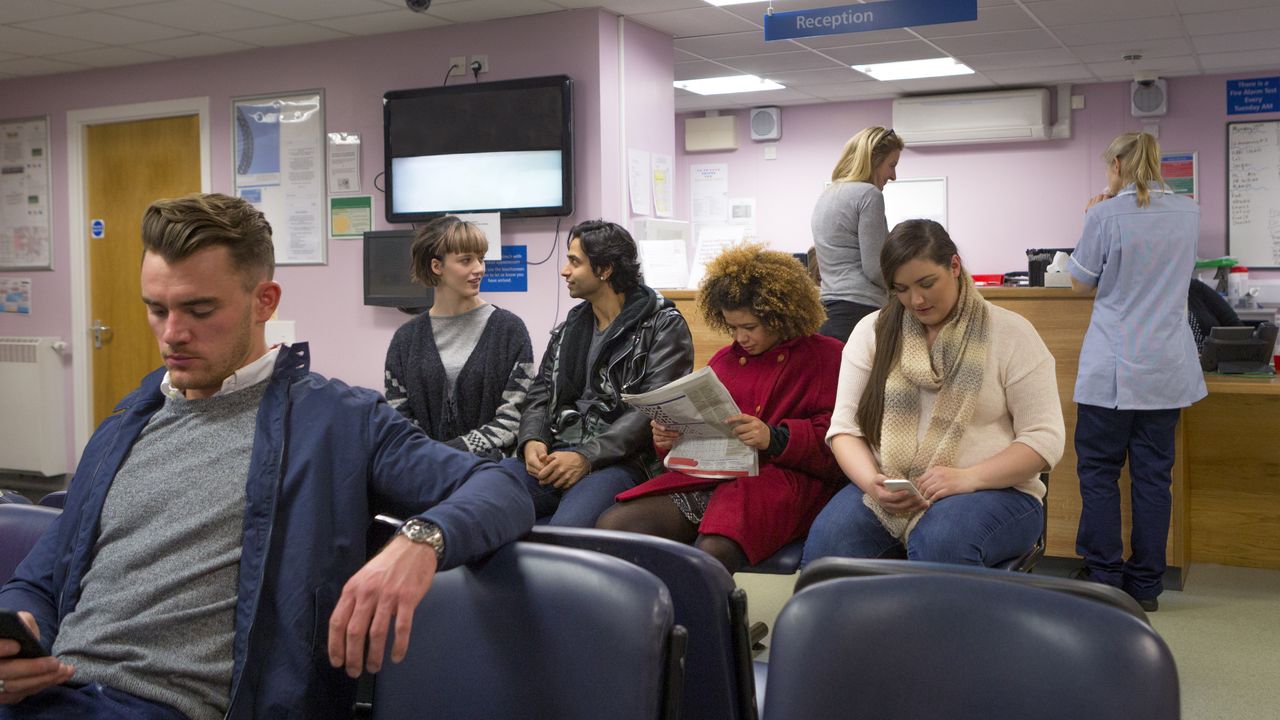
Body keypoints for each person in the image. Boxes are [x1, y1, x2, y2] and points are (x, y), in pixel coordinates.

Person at [0, 193, 533, 720]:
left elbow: (502, 485)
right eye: (156, 310)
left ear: (265, 301)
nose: (171, 333)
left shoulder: (338, 421)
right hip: (52, 695)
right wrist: (18, 631)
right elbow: (40, 579)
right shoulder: (126, 424)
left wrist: (420, 541)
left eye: (199, 309)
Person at [802, 219, 1065, 567]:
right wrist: (872, 483)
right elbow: (844, 431)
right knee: (828, 543)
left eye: (927, 283)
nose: (917, 300)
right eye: (901, 289)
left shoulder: (1012, 333)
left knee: (943, 541)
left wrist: (969, 478)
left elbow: (1044, 440)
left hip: (997, 491)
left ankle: (931, 623)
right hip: (895, 487)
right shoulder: (872, 332)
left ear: (954, 266)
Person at [597, 245, 844, 573]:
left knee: (713, 549)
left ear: (781, 314)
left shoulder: (826, 356)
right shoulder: (724, 362)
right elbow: (694, 437)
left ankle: (711, 623)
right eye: (732, 328)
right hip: (712, 479)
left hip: (783, 482)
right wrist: (669, 437)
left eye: (750, 327)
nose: (741, 339)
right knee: (615, 526)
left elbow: (838, 440)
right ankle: (650, 618)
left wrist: (774, 437)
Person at [1069, 132, 1206, 612]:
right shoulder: (1189, 211)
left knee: (1100, 472)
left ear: (1120, 163)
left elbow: (1080, 282)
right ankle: (1145, 586)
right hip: (1166, 370)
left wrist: (1094, 212)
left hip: (1112, 367)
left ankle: (1105, 576)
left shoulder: (1105, 214)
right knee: (1153, 478)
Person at [503, 220, 694, 527]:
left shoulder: (663, 325)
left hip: (620, 463)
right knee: (484, 498)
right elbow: (540, 394)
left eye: (574, 262)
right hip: (557, 451)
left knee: (565, 533)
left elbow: (649, 412)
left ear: (605, 270)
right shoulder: (570, 328)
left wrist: (585, 457)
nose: (565, 271)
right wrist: (532, 441)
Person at [384, 215, 535, 460]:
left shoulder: (509, 330)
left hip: (491, 472)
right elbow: (399, 419)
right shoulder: (405, 340)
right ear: (437, 267)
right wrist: (429, 460)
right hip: (424, 474)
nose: (479, 268)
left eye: (481, 259)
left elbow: (514, 418)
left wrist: (447, 453)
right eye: (466, 260)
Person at [811, 125, 905, 341]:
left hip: (828, 312)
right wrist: (902, 289)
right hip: (860, 311)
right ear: (873, 159)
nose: (893, 176)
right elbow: (874, 268)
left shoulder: (828, 194)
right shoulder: (869, 195)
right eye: (891, 165)